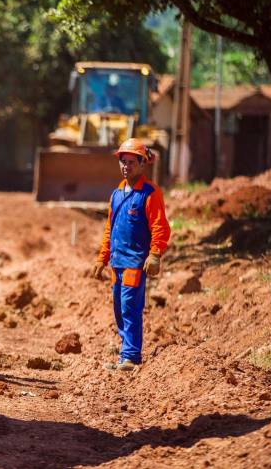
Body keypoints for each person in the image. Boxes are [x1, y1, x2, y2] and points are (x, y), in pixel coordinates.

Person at [91, 138, 171, 371]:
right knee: (118, 307)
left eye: (131, 162)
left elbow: (160, 226)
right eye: (122, 162)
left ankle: (131, 356)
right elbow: (110, 229)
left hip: (135, 262)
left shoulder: (149, 193)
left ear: (142, 164)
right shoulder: (116, 194)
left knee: (129, 306)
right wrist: (101, 258)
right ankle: (125, 354)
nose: (126, 166)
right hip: (117, 261)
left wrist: (155, 254)